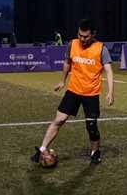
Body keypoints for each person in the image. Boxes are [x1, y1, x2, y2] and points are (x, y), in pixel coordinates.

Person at [35, 18, 113, 166]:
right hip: (74, 90)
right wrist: (62, 81)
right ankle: (42, 149)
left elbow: (108, 71)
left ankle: (95, 153)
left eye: (86, 36)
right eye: (80, 35)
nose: (82, 39)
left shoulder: (101, 49)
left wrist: (110, 92)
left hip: (91, 94)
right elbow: (67, 63)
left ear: (93, 34)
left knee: (91, 126)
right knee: (59, 120)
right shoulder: (72, 44)